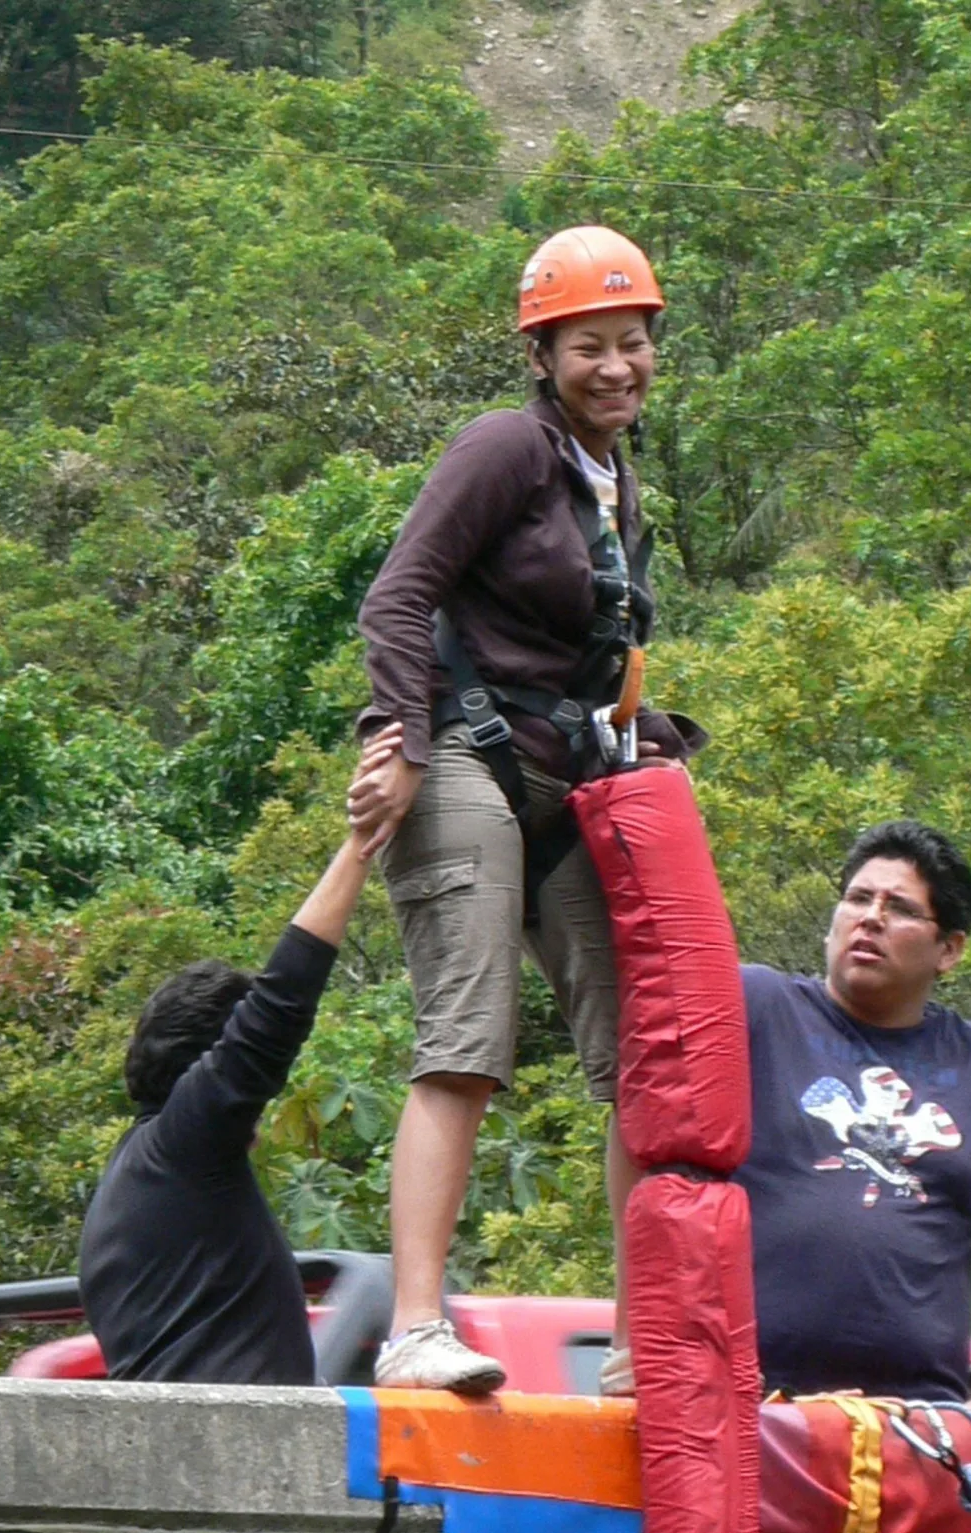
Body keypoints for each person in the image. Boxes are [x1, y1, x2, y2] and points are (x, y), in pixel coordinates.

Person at [347, 224, 703, 1393]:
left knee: (641, 1061)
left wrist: (650, 746)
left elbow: (592, 658)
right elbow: (395, 600)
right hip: (465, 755)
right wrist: (394, 741)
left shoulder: (612, 480)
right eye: (589, 346)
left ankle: (639, 1341)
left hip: (576, 775)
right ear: (541, 354)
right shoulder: (505, 448)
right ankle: (412, 1327)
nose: (616, 365)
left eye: (633, 342)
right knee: (467, 1042)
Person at [79, 743, 401, 1533]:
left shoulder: (128, 1178)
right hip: (208, 1509)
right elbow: (280, 1005)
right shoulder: (189, 1142)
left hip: (133, 1528)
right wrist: (360, 845)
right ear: (207, 1070)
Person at [734, 820, 971, 1429]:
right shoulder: (758, 1008)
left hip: (918, 1420)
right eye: (858, 898)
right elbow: (642, 1122)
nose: (870, 918)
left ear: (948, 950)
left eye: (900, 908)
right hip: (751, 1406)